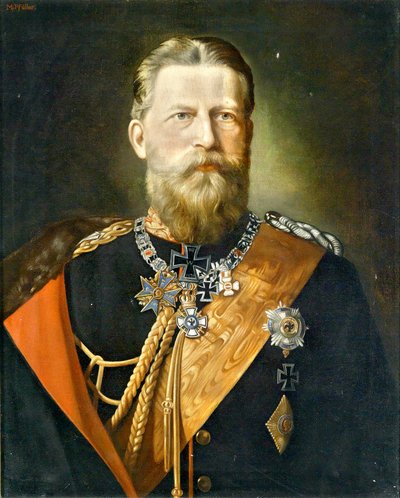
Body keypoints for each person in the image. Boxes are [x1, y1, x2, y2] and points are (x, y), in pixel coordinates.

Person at [2, 36, 396, 498]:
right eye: (182, 116)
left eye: (225, 116)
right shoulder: (73, 280)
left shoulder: (323, 280)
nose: (206, 139)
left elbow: (365, 469)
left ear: (247, 134)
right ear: (140, 138)